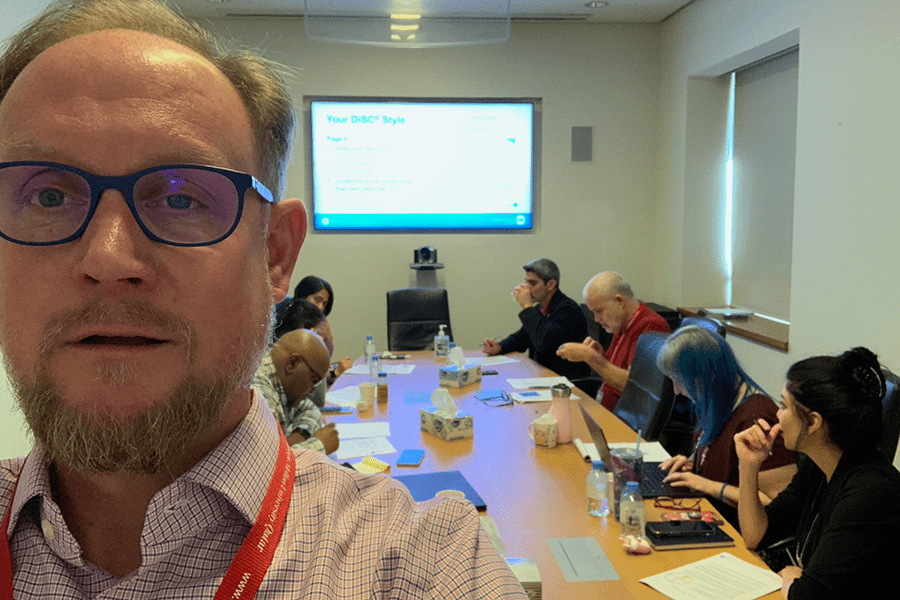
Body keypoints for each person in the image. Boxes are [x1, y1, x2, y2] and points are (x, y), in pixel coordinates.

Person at [0, 1, 527, 598]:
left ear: (275, 254)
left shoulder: (425, 567)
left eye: (179, 198)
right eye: (46, 197)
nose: (109, 259)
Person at [735, 347, 900, 600]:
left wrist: (793, 576)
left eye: (784, 406)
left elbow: (808, 596)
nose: (777, 415)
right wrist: (748, 467)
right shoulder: (819, 466)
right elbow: (756, 535)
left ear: (812, 422)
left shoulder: (870, 490)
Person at [654, 326, 796, 527]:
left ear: (709, 375)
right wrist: (693, 466)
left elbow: (775, 504)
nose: (677, 391)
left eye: (680, 382)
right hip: (710, 517)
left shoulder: (757, 419)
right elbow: (725, 464)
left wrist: (706, 485)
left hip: (737, 533)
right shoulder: (716, 403)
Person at [556, 271, 670, 409]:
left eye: (599, 311)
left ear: (619, 301)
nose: (597, 319)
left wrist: (591, 357)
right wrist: (601, 356)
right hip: (607, 410)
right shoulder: (621, 323)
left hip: (626, 419)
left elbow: (637, 386)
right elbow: (614, 374)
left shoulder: (651, 325)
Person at [482, 258, 589, 380]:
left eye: (532, 283)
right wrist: (500, 347)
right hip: (543, 375)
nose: (527, 289)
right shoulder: (541, 307)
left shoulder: (567, 310)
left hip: (565, 381)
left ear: (550, 285)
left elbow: (543, 344)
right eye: (526, 282)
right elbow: (523, 337)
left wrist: (527, 307)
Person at [253, 329, 339, 454]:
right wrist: (320, 445)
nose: (313, 389)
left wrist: (298, 436)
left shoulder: (281, 384)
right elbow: (269, 465)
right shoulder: (258, 392)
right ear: (292, 364)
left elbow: (311, 410)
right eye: (314, 380)